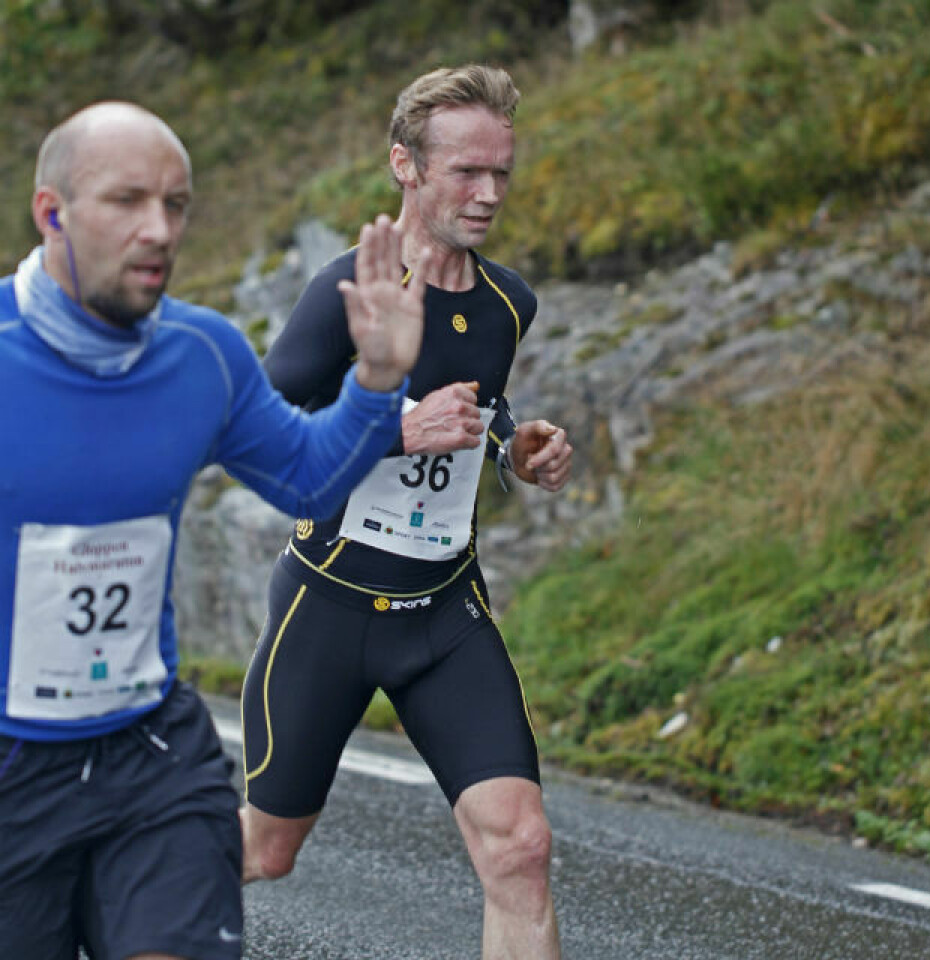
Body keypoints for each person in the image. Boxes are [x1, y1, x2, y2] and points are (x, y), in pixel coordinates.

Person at [0, 100, 429, 960]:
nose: (159, 229)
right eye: (127, 201)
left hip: (148, 753)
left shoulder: (204, 355)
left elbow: (306, 476)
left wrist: (378, 381)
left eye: (177, 204)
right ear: (52, 212)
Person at [241, 65, 573, 959]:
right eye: (467, 171)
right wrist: (393, 427)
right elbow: (264, 435)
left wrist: (516, 446)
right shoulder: (342, 297)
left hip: (446, 614)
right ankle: (93, 891)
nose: (490, 193)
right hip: (332, 610)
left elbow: (481, 406)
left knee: (521, 844)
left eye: (502, 171)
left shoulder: (509, 303)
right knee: (265, 852)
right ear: (406, 166)